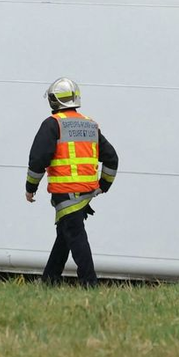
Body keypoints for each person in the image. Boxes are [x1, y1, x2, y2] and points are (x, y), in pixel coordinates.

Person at [25, 77, 118, 287]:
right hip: (86, 193)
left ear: (53, 100)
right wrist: (103, 185)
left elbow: (38, 159)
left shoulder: (52, 124)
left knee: (75, 236)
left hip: (65, 192)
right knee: (65, 235)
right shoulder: (90, 125)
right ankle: (50, 281)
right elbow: (112, 158)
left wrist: (30, 188)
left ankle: (89, 283)